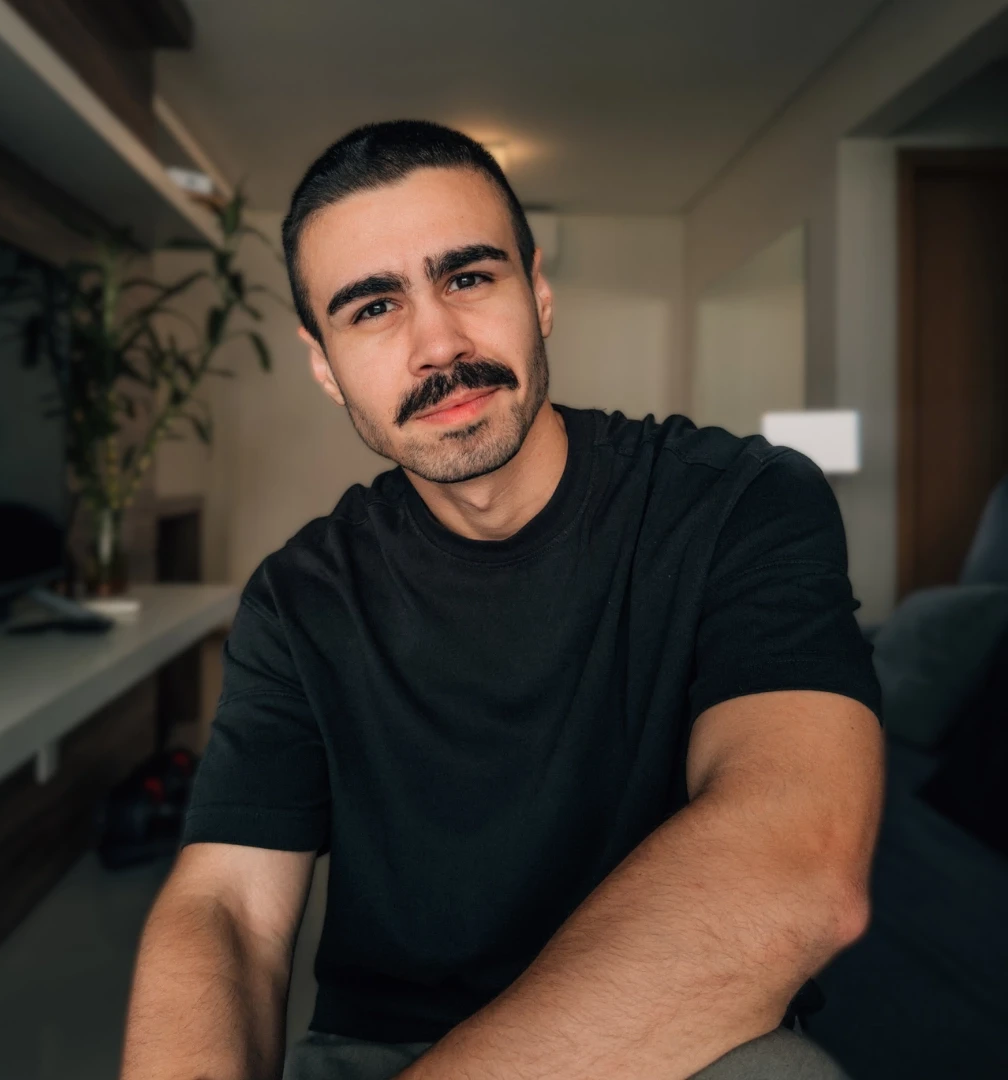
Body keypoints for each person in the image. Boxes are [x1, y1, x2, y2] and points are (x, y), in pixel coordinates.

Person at [120, 121, 884, 1080]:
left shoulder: (740, 503)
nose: (438, 343)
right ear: (324, 365)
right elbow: (225, 905)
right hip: (377, 1046)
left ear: (539, 293)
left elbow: (796, 862)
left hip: (684, 1023)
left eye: (470, 278)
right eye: (371, 308)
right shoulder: (300, 597)